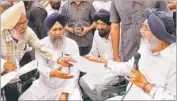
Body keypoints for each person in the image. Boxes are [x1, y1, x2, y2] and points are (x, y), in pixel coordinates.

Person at [86, 9, 176, 100]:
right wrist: (104, 62)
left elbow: (171, 98)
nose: (141, 30)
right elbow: (129, 68)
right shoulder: (145, 48)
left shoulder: (173, 61)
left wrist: (146, 85)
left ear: (159, 34)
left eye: (145, 28)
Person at [1, 2, 73, 101]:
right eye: (20, 24)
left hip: (17, 74)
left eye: (25, 22)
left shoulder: (27, 31)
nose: (25, 26)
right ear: (11, 26)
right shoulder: (1, 35)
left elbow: (41, 47)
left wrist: (58, 59)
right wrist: (4, 64)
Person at [19, 13, 82, 100]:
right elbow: (40, 66)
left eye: (60, 29)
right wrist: (52, 73)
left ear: (64, 29)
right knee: (23, 99)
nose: (58, 32)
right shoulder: (41, 45)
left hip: (66, 86)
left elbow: (75, 72)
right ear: (48, 30)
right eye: (54, 29)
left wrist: (65, 93)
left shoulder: (72, 44)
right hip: (45, 87)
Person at [79, 9, 123, 100]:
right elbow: (93, 53)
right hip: (102, 68)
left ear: (110, 25)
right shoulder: (97, 33)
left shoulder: (119, 35)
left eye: (103, 24)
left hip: (117, 70)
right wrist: (84, 58)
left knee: (99, 86)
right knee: (83, 81)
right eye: (97, 24)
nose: (99, 27)